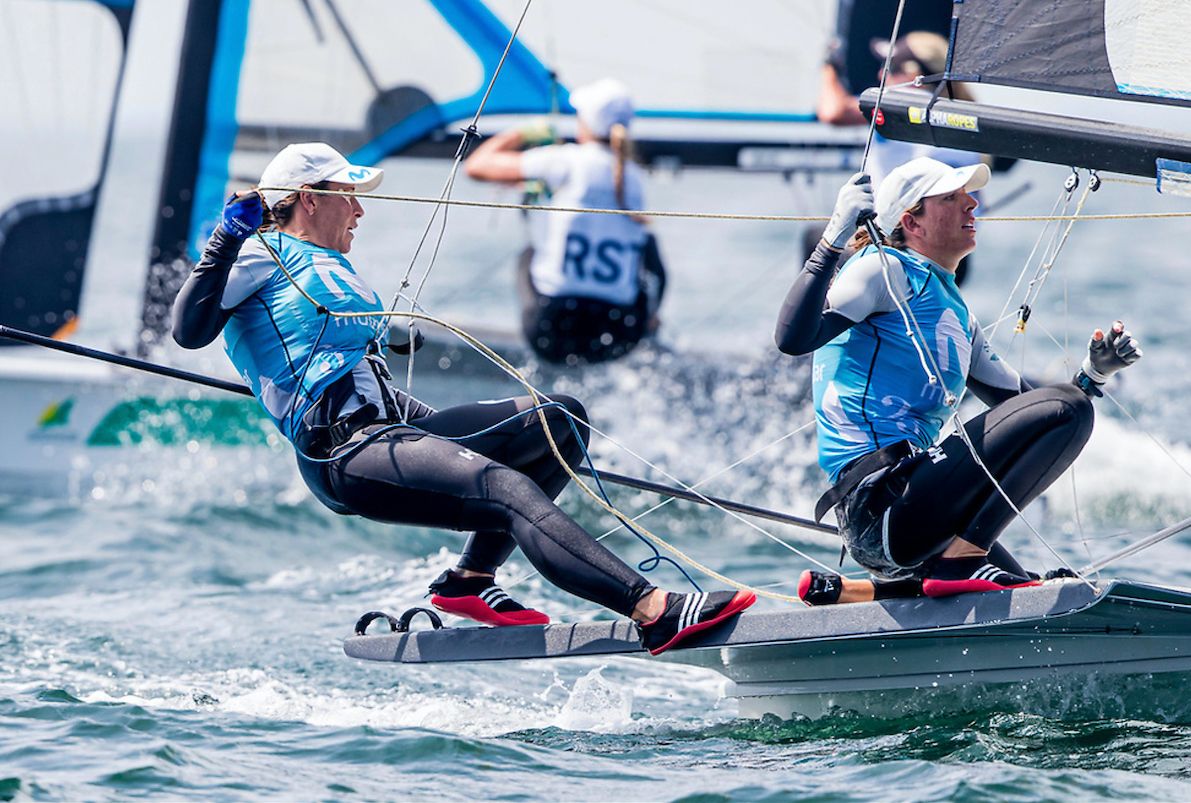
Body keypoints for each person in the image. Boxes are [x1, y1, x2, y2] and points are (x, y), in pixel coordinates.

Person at [170, 142, 752, 654]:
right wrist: (226, 236)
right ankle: (653, 610)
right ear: (309, 198)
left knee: (558, 419)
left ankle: (468, 582)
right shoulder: (259, 254)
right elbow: (188, 330)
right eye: (349, 194)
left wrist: (433, 419)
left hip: (388, 430)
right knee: (506, 488)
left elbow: (371, 383)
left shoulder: (336, 266)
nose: (360, 208)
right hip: (344, 454)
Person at [774, 158, 1142, 602]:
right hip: (881, 505)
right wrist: (833, 238)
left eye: (968, 195)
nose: (972, 204)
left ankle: (867, 590)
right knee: (1069, 408)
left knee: (1027, 592)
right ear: (912, 221)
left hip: (920, 509)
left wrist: (1091, 376)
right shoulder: (884, 269)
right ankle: (961, 560)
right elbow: (794, 339)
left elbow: (1032, 414)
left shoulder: (955, 309)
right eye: (951, 197)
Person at [464, 78, 666, 365]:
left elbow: (476, 166)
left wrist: (524, 133)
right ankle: (653, 322)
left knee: (530, 253)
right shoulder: (634, 176)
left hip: (552, 328)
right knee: (646, 240)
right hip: (620, 334)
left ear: (585, 123)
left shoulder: (565, 161)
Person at [816, 31, 987, 284]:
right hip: (950, 252)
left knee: (817, 242)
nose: (880, 76)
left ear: (916, 74)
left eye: (890, 68)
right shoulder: (957, 110)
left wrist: (829, 65)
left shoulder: (904, 102)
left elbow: (833, 112)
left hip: (903, 248)